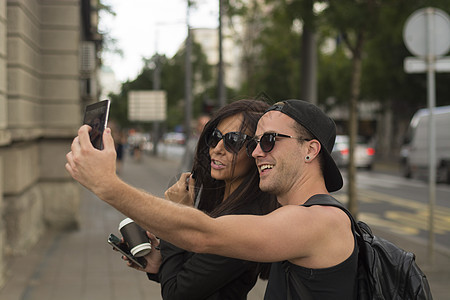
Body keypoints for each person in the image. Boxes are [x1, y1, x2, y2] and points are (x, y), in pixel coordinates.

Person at [66, 99, 357, 299]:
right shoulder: (293, 216)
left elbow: (202, 235)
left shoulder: (319, 220)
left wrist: (108, 185)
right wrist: (162, 262)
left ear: (310, 150)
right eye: (254, 144)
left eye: (268, 141)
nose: (256, 153)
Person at [125, 100, 279, 299]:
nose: (217, 149)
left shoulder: (241, 222)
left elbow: (176, 293)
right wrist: (159, 262)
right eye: (215, 137)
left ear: (256, 151)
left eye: (233, 141)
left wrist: (177, 215)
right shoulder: (222, 202)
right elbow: (192, 275)